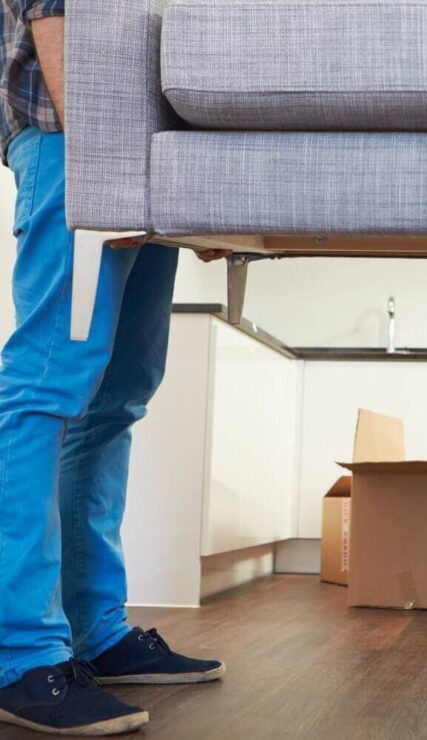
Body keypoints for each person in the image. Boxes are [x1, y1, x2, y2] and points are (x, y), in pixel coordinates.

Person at [0, 2, 229, 735]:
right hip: (76, 146)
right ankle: (20, 654)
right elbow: (55, 9)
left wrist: (201, 198)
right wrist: (102, 164)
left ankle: (96, 632)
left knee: (118, 397)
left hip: (142, 163)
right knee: (46, 388)